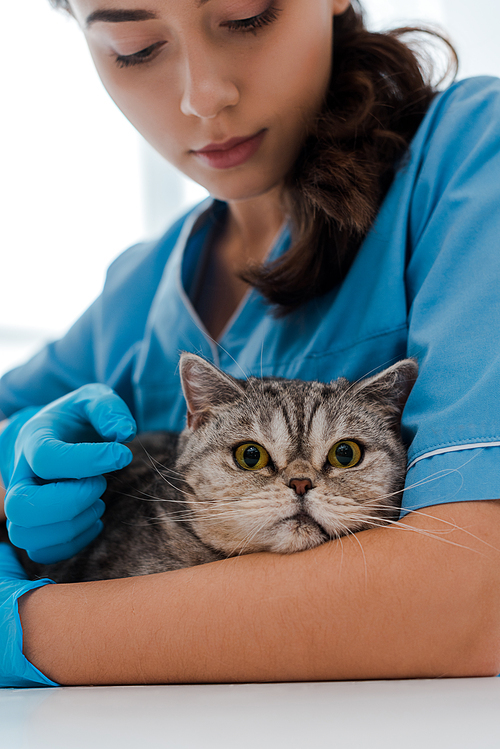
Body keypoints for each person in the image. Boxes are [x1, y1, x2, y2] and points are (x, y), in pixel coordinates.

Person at [1, 0, 500, 688]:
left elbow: (473, 599)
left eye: (246, 16)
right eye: (136, 48)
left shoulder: (475, 156)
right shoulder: (140, 285)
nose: (203, 97)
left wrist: (25, 628)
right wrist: (9, 467)